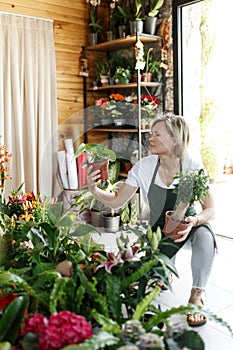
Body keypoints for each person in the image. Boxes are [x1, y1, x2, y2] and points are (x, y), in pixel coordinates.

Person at [86, 113, 216, 327]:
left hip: (187, 224)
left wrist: (195, 221)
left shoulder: (192, 165)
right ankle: (164, 271)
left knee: (205, 237)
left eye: (157, 134)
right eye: (150, 133)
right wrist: (95, 190)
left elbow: (210, 209)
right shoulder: (144, 167)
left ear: (174, 140)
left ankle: (196, 295)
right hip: (157, 229)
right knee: (147, 276)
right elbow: (117, 202)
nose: (150, 138)